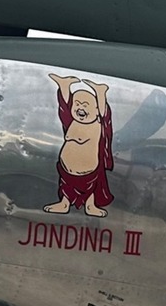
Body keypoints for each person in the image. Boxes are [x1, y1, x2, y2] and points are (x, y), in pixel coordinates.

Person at [44, 74, 115, 216]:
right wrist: (64, 87)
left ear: (95, 111)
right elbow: (64, 110)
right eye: (77, 104)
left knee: (90, 189)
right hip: (67, 171)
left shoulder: (98, 126)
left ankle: (90, 205)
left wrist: (100, 94)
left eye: (85, 105)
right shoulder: (72, 123)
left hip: (89, 172)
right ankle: (64, 203)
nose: (80, 108)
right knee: (66, 187)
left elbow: (105, 116)